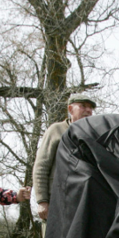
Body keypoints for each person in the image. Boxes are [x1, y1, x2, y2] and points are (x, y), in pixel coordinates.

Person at [33, 94, 96, 224]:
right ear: (70, 109)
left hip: (84, 204)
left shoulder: (95, 135)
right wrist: (42, 201)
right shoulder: (56, 130)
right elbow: (41, 166)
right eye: (83, 106)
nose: (88, 110)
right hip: (57, 202)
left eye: (91, 108)